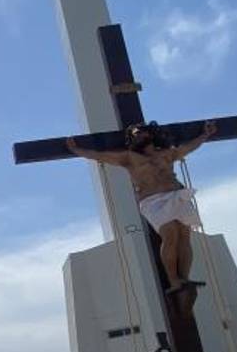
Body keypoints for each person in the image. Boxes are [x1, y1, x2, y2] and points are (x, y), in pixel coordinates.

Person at [67, 120, 217, 294]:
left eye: (139, 132)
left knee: (184, 235)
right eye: (134, 135)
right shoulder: (129, 158)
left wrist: (205, 134)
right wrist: (76, 150)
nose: (137, 135)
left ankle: (184, 278)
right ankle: (174, 280)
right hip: (153, 201)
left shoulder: (167, 153)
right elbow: (100, 156)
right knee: (170, 233)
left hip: (176, 195)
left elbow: (188, 147)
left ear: (149, 133)